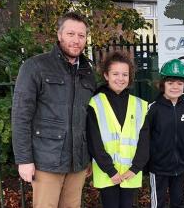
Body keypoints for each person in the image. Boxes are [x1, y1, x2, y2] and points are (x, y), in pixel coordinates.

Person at [11, 12, 96, 207]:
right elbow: (20, 116)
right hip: (46, 162)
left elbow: (89, 119)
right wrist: (24, 159)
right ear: (59, 35)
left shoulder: (87, 72)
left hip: (78, 163)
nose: (76, 40)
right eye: (70, 34)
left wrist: (88, 157)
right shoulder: (35, 67)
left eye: (81, 35)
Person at [86, 50, 149, 208]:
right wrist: (111, 171)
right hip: (107, 173)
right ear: (106, 75)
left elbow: (145, 140)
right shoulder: (95, 103)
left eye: (125, 74)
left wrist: (135, 168)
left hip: (130, 173)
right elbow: (94, 142)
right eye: (115, 74)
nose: (120, 78)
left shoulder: (141, 105)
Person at [147, 59, 184, 208]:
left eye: (179, 83)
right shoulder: (153, 108)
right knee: (158, 203)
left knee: (179, 202)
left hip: (179, 165)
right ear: (162, 85)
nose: (175, 87)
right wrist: (151, 161)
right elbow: (146, 137)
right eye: (170, 83)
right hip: (158, 167)